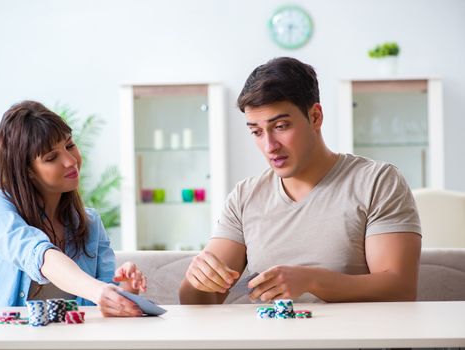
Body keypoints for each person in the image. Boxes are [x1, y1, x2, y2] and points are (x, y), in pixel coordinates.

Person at [179, 57, 422, 304]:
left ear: (315, 117)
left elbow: (400, 288)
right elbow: (198, 302)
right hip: (266, 341)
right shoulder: (245, 196)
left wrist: (311, 281)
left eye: (281, 126)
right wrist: (197, 279)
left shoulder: (377, 182)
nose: (269, 146)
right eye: (256, 132)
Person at [0, 100, 145, 317]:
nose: (71, 161)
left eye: (70, 145)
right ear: (27, 171)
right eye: (51, 157)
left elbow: (102, 304)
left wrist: (124, 292)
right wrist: (98, 291)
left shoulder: (89, 223)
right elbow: (39, 255)